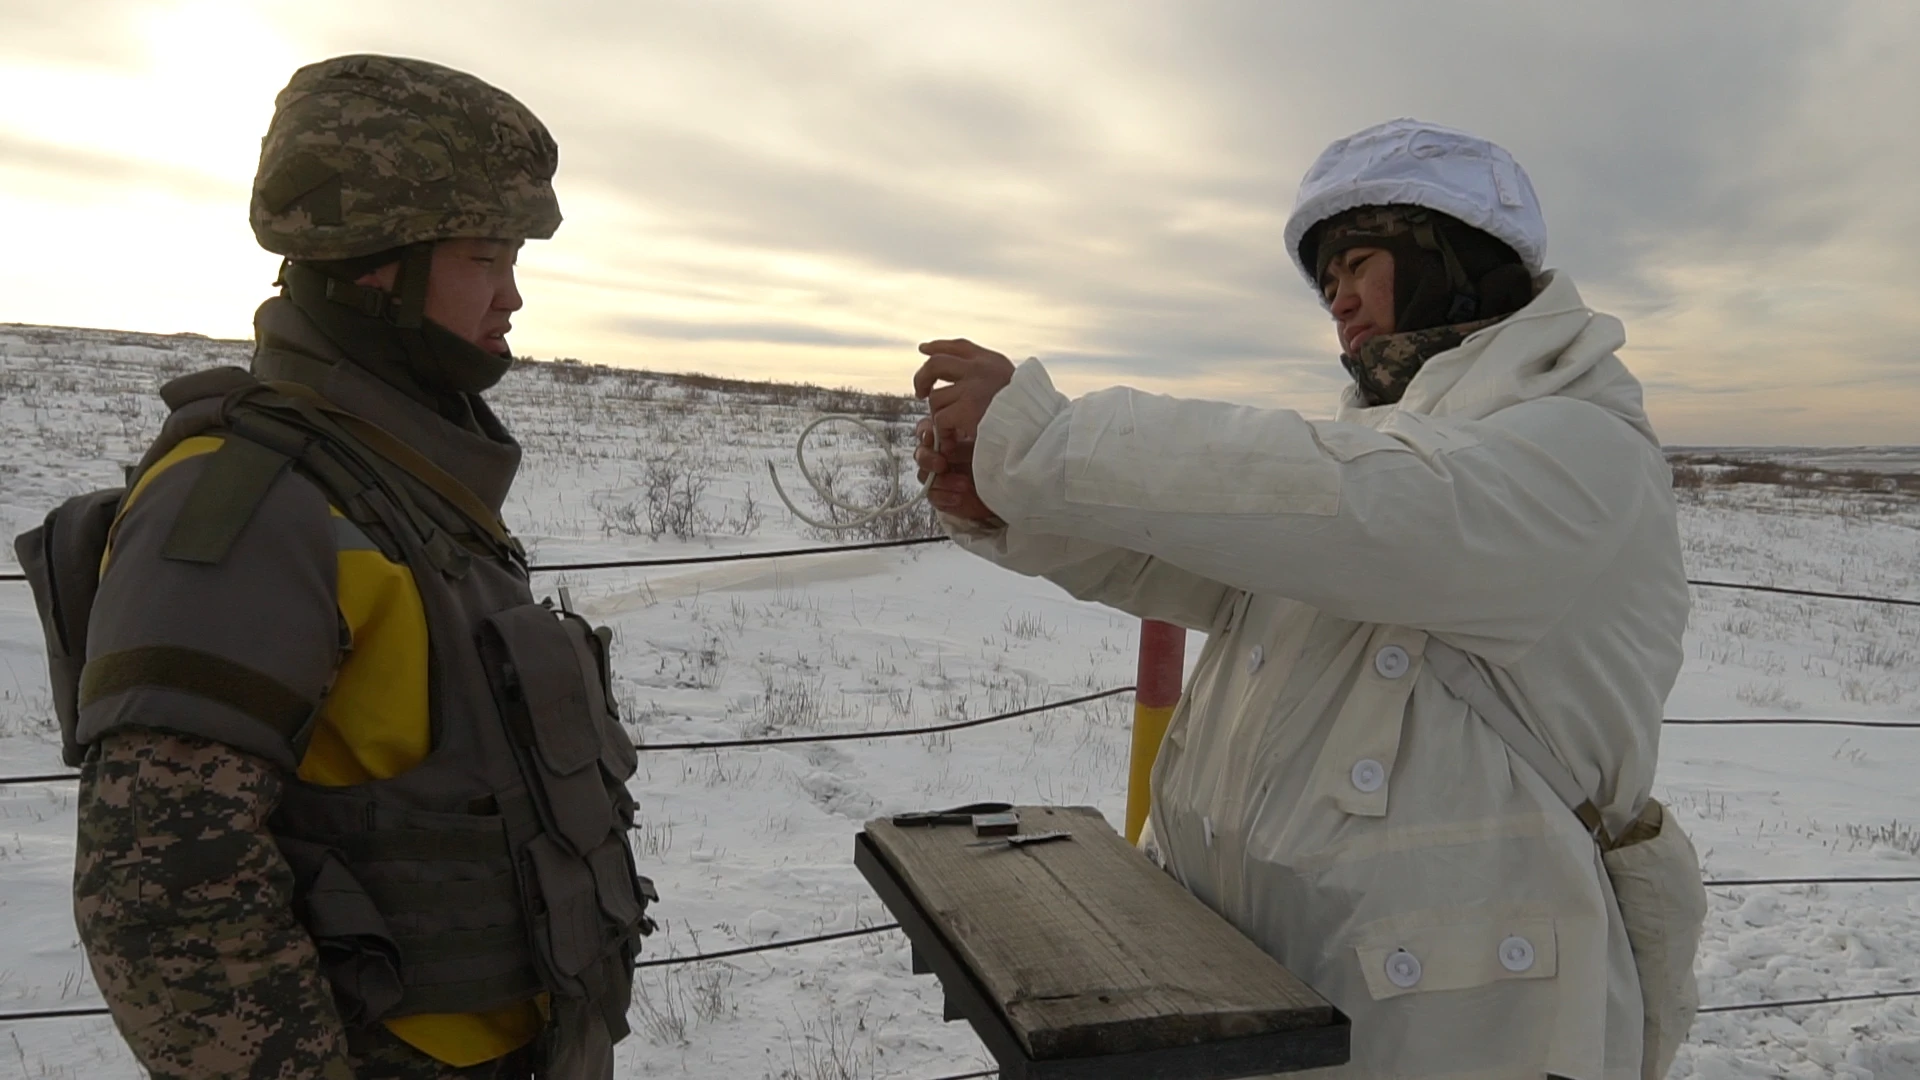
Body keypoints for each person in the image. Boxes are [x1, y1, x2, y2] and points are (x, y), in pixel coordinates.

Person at [913, 118, 1694, 1078]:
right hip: (1264, 987)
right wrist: (1010, 504)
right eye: (1327, 283)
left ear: (1455, 255)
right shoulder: (1378, 467)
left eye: (1359, 263)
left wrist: (1048, 440)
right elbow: (1209, 565)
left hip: (1465, 1028)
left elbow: (1370, 506)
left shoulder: (1581, 451)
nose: (1340, 302)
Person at [70, 55, 651, 1079]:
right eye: (486, 256)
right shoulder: (254, 506)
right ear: (377, 260)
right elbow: (164, 898)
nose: (512, 296)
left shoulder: (401, 477)